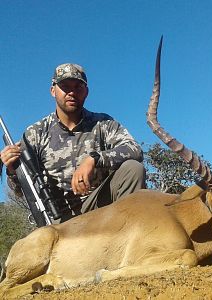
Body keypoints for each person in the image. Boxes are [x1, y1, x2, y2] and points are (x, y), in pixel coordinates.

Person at [0, 63, 146, 223]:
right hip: (60, 218)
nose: (72, 92)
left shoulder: (103, 123)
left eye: (78, 87)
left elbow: (134, 149)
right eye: (65, 87)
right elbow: (21, 191)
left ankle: (128, 234)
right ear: (53, 91)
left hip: (100, 207)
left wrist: (93, 159)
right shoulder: (35, 133)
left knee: (133, 169)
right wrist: (12, 171)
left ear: (86, 92)